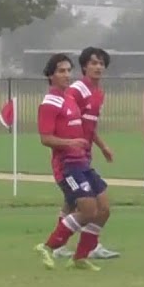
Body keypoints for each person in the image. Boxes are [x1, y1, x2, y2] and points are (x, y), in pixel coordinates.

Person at [34, 54, 104, 271]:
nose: (66, 75)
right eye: (61, 71)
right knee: (88, 210)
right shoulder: (49, 103)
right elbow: (45, 138)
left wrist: (95, 143)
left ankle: (80, 257)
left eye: (68, 70)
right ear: (51, 75)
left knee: (104, 208)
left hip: (82, 162)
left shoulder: (70, 99)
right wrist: (71, 142)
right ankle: (48, 246)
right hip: (67, 165)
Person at [52, 47, 121, 261]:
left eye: (101, 63)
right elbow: (65, 117)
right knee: (87, 203)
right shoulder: (77, 90)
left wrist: (101, 145)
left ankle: (64, 246)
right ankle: (71, 246)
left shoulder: (98, 93)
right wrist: (70, 145)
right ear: (84, 67)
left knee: (73, 201)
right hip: (71, 156)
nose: (98, 67)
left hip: (84, 153)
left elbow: (89, 126)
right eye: (93, 63)